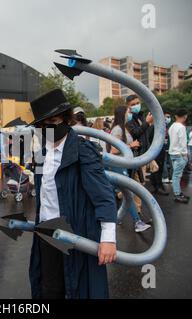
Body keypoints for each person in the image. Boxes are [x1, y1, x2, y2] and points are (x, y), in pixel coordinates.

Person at [29, 89, 117, 299]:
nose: (49, 126)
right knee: (49, 289)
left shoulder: (82, 150)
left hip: (75, 231)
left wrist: (108, 239)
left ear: (66, 119)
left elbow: (103, 195)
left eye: (55, 119)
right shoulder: (41, 154)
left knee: (77, 288)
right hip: (46, 231)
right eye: (44, 123)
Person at [109, 106, 151, 232]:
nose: (130, 113)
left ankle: (116, 218)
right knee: (128, 194)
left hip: (121, 165)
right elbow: (114, 150)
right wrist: (131, 145)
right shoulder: (117, 129)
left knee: (114, 193)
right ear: (122, 114)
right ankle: (137, 222)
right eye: (128, 111)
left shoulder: (123, 128)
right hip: (117, 165)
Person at [125, 94, 153, 215]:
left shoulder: (142, 116)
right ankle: (138, 211)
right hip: (136, 155)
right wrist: (146, 123)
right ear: (128, 107)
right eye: (133, 104)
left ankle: (121, 193)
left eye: (137, 103)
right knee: (139, 185)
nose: (136, 105)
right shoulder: (128, 120)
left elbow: (146, 136)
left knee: (134, 182)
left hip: (145, 153)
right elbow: (135, 133)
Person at [168, 109, 190, 203]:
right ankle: (177, 194)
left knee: (176, 175)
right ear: (185, 116)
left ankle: (179, 193)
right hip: (179, 154)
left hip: (172, 153)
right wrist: (185, 154)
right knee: (177, 176)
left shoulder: (172, 126)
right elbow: (183, 142)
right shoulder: (181, 127)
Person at [162, 112, 172, 184]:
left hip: (169, 147)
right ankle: (167, 177)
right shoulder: (164, 127)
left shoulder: (169, 127)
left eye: (169, 117)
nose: (168, 118)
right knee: (166, 162)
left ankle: (167, 177)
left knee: (167, 162)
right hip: (165, 147)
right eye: (166, 117)